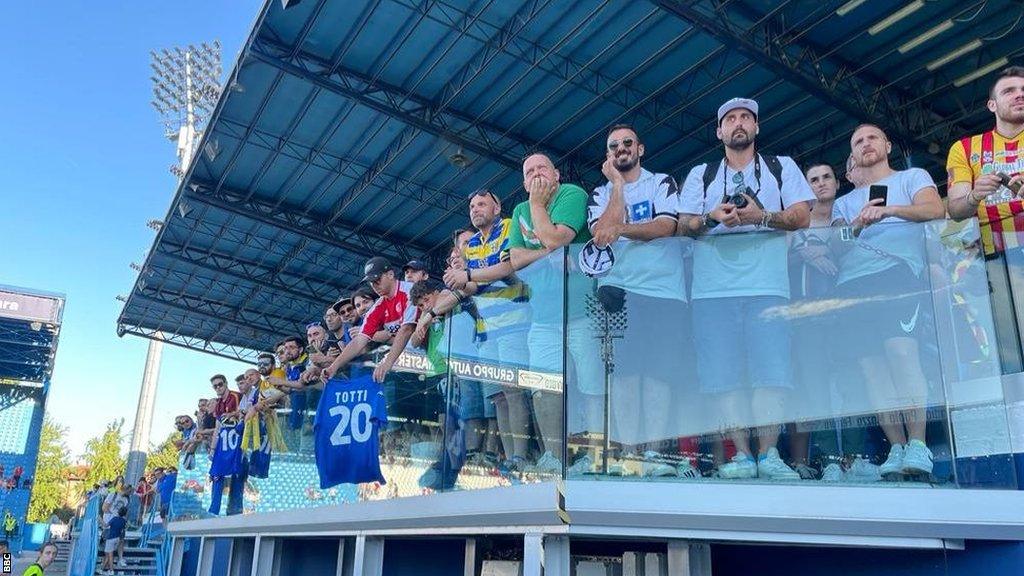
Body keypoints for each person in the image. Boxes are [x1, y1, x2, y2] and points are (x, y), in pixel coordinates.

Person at [679, 97, 814, 480]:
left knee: (772, 372)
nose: (738, 124)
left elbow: (802, 215)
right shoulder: (700, 173)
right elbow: (684, 225)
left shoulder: (780, 166)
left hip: (768, 287)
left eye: (745, 118)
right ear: (719, 131)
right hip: (711, 291)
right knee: (723, 376)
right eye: (730, 119)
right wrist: (711, 217)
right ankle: (741, 454)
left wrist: (762, 216)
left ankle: (769, 454)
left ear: (756, 127)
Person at [444, 151, 594, 474]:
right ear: (524, 182)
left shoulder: (570, 195)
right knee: (543, 387)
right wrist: (546, 250)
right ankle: (555, 457)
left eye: (543, 167)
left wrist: (540, 213)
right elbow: (515, 260)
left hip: (581, 310)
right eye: (529, 172)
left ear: (556, 175)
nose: (536, 174)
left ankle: (593, 455)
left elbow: (558, 239)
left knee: (588, 384)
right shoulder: (521, 209)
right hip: (542, 317)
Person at [832, 123, 945, 479]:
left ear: (888, 145)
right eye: (858, 141)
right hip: (853, 283)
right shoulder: (844, 200)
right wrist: (858, 225)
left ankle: (919, 445)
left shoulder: (912, 177)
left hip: (898, 275)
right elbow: (836, 242)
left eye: (871, 138)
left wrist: (889, 210)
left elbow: (935, 209)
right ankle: (895, 447)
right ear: (852, 155)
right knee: (872, 369)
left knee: (901, 354)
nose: (865, 144)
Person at [589, 123, 691, 477]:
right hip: (622, 295)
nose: (621, 150)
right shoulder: (601, 193)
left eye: (627, 143)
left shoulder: (661, 182)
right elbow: (600, 234)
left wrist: (621, 230)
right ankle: (631, 455)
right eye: (613, 145)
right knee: (627, 377)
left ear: (641, 149)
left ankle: (654, 454)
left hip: (664, 292)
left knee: (660, 374)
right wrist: (617, 185)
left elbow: (667, 227)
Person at [946, 66, 1024, 224]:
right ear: (992, 105)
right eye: (1009, 91)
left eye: (1023, 90)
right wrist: (974, 196)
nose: (1020, 95)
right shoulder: (963, 148)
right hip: (995, 246)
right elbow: (955, 212)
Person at [101, 507, 127, 574]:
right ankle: (102, 569)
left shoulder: (114, 519)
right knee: (107, 554)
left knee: (109, 555)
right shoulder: (123, 521)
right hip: (117, 539)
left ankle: (111, 570)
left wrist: (100, 519)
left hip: (111, 538)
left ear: (118, 511)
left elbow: (106, 525)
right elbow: (122, 530)